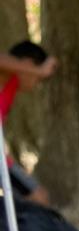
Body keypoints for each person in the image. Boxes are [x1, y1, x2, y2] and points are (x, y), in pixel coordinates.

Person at [0, 40, 57, 205]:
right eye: (38, 79)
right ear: (27, 64)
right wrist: (39, 69)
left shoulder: (10, 87)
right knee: (37, 198)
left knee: (36, 198)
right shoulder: (6, 76)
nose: (36, 83)